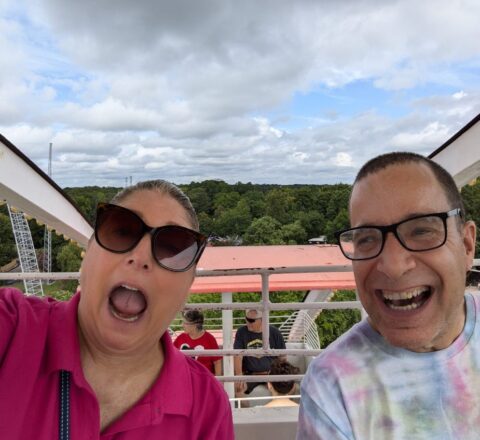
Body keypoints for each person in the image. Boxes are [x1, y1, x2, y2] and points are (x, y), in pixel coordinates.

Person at [0, 180, 234, 439]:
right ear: (88, 254)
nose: (141, 256)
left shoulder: (207, 408)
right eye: (121, 231)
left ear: (188, 286)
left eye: (172, 247)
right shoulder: (12, 328)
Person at [297, 152, 478, 439]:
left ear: (467, 246)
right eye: (367, 238)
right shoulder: (333, 387)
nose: (393, 266)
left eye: (421, 230)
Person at [234, 308, 286, 395]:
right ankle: (248, 409)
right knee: (237, 390)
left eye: (251, 320)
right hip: (250, 375)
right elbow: (238, 356)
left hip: (271, 374)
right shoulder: (241, 332)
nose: (248, 323)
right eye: (246, 319)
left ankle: (275, 408)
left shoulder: (275, 332)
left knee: (290, 388)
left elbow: (283, 357)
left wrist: (278, 374)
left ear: (263, 319)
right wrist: (239, 375)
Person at [174, 310, 222, 375]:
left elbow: (217, 362)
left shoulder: (209, 339)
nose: (182, 325)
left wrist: (217, 381)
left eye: (185, 323)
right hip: (184, 378)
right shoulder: (180, 338)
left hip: (204, 379)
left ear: (195, 325)